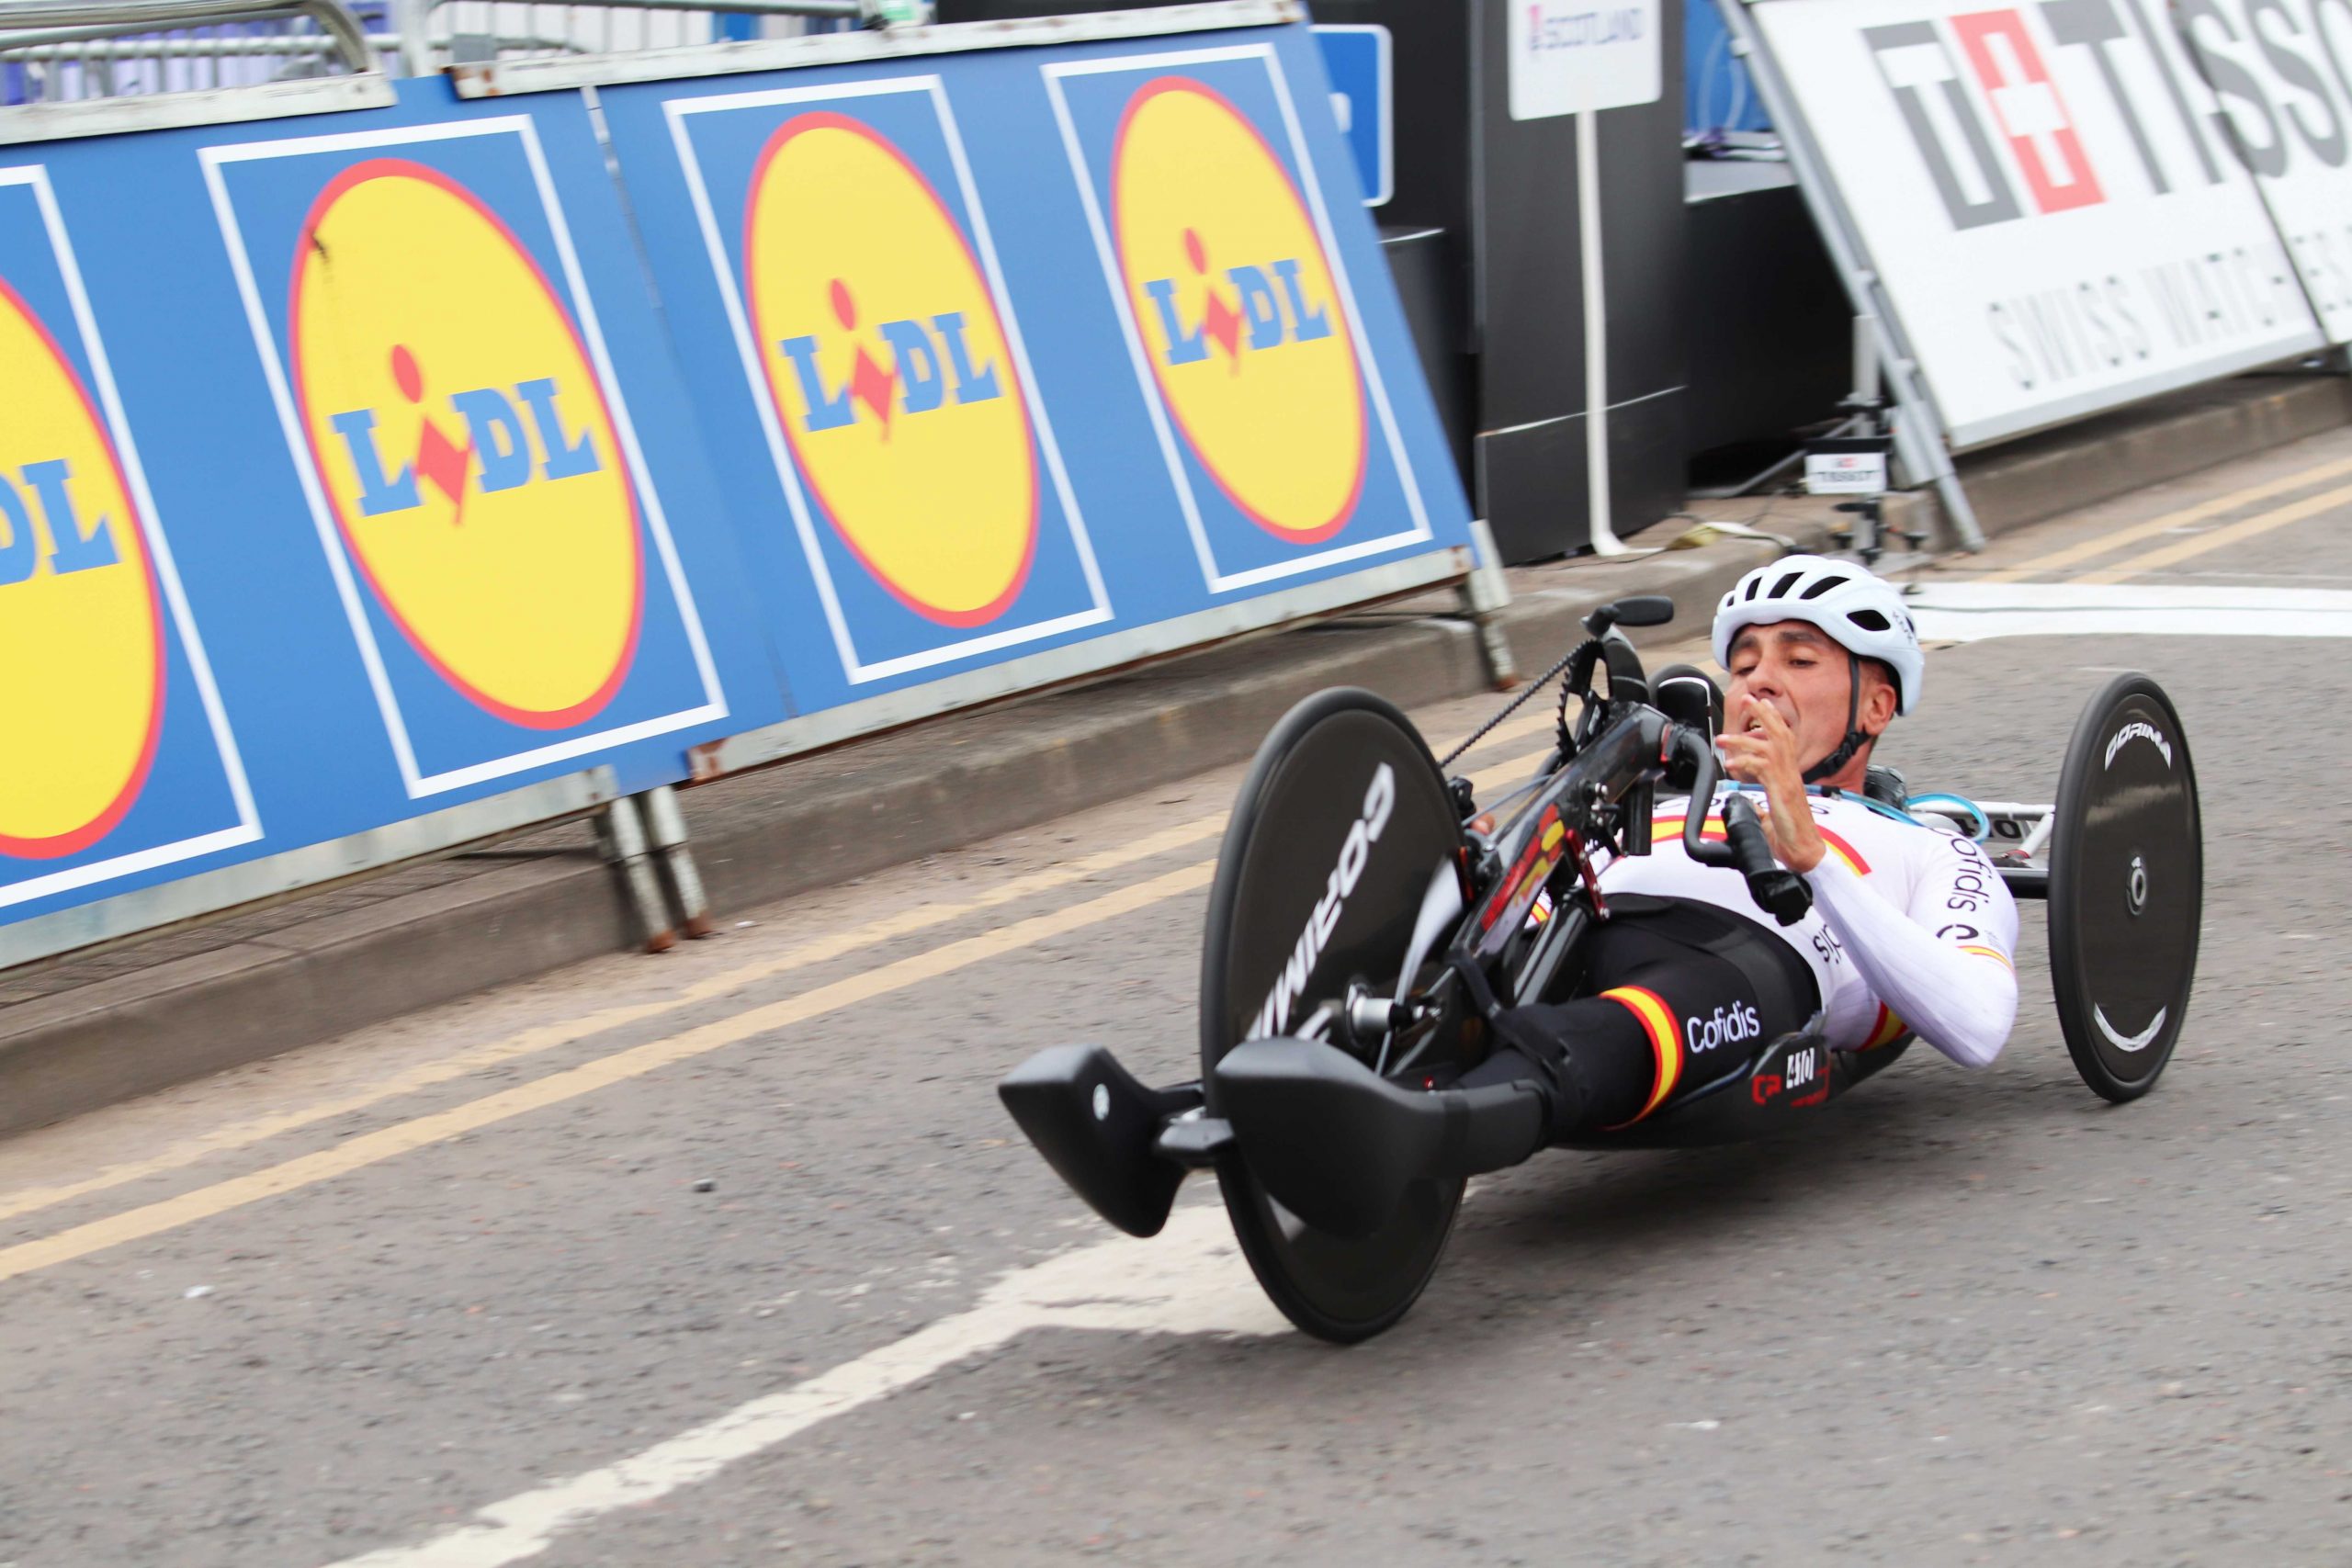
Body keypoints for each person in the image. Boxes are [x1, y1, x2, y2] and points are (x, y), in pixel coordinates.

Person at [1458, 555, 2021, 1138]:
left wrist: (1815, 863)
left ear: (1876, 706)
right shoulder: (1657, 797)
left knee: (1620, 1029)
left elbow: (1978, 1026)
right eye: (1744, 665)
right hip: (1582, 924)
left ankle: (1447, 1122)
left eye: (1800, 660)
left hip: (1735, 960)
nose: (1759, 681)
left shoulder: (1927, 848)